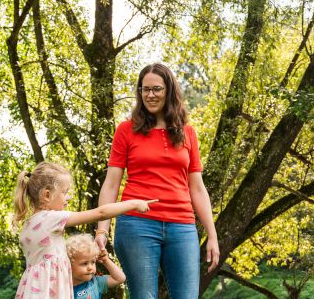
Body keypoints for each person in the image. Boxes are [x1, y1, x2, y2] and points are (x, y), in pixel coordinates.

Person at [93, 63, 220, 298]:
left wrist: (212, 235)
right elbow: (111, 184)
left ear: (169, 91)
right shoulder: (126, 130)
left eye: (157, 89)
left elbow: (197, 188)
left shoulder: (187, 132)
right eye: (145, 89)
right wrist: (102, 230)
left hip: (182, 226)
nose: (150, 95)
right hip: (136, 225)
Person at [12, 162, 155, 299]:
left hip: (34, 289)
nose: (68, 197)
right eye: (64, 192)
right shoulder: (51, 219)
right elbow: (101, 213)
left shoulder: (28, 224)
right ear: (47, 195)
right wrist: (134, 203)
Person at [67, 234, 126, 299]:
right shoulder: (62, 286)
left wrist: (105, 260)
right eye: (84, 263)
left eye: (93, 262)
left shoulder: (96, 282)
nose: (90, 267)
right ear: (69, 265)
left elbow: (120, 278)